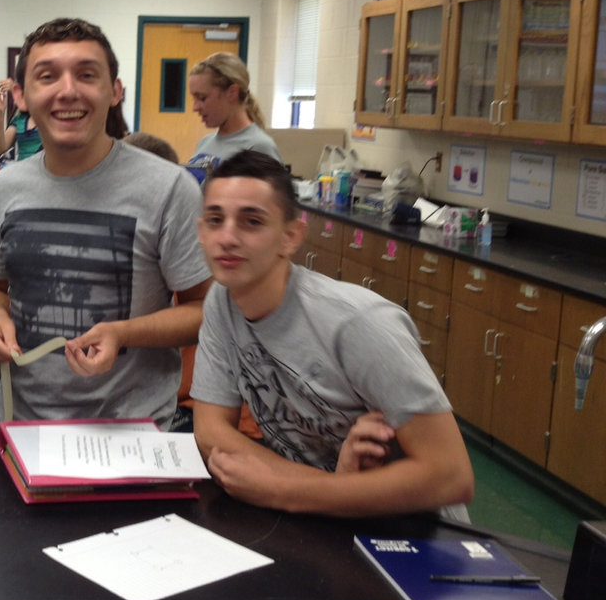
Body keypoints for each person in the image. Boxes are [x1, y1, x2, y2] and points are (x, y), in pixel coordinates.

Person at [190, 150, 474, 519]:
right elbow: (211, 431)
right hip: (323, 516)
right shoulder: (221, 302)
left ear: (290, 237)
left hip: (414, 531)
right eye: (215, 220)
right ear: (201, 232)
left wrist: (282, 489)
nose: (227, 237)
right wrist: (310, 487)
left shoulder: (360, 324)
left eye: (251, 222)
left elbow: (451, 476)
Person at [0, 18, 210, 429]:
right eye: (47, 76)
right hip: (19, 424)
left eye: (87, 75)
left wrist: (124, 333)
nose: (68, 91)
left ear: (114, 91)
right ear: (21, 95)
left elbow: (206, 310)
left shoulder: (169, 187)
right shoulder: (5, 187)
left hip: (131, 432)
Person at [186, 53, 281, 174]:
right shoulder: (205, 142)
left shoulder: (258, 147)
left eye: (202, 98)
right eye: (194, 99)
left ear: (232, 93)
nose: (195, 107)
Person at [0, 75, 41, 164]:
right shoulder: (20, 119)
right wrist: (0, 112)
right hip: (23, 173)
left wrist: (15, 88)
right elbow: (0, 148)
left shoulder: (48, 117)